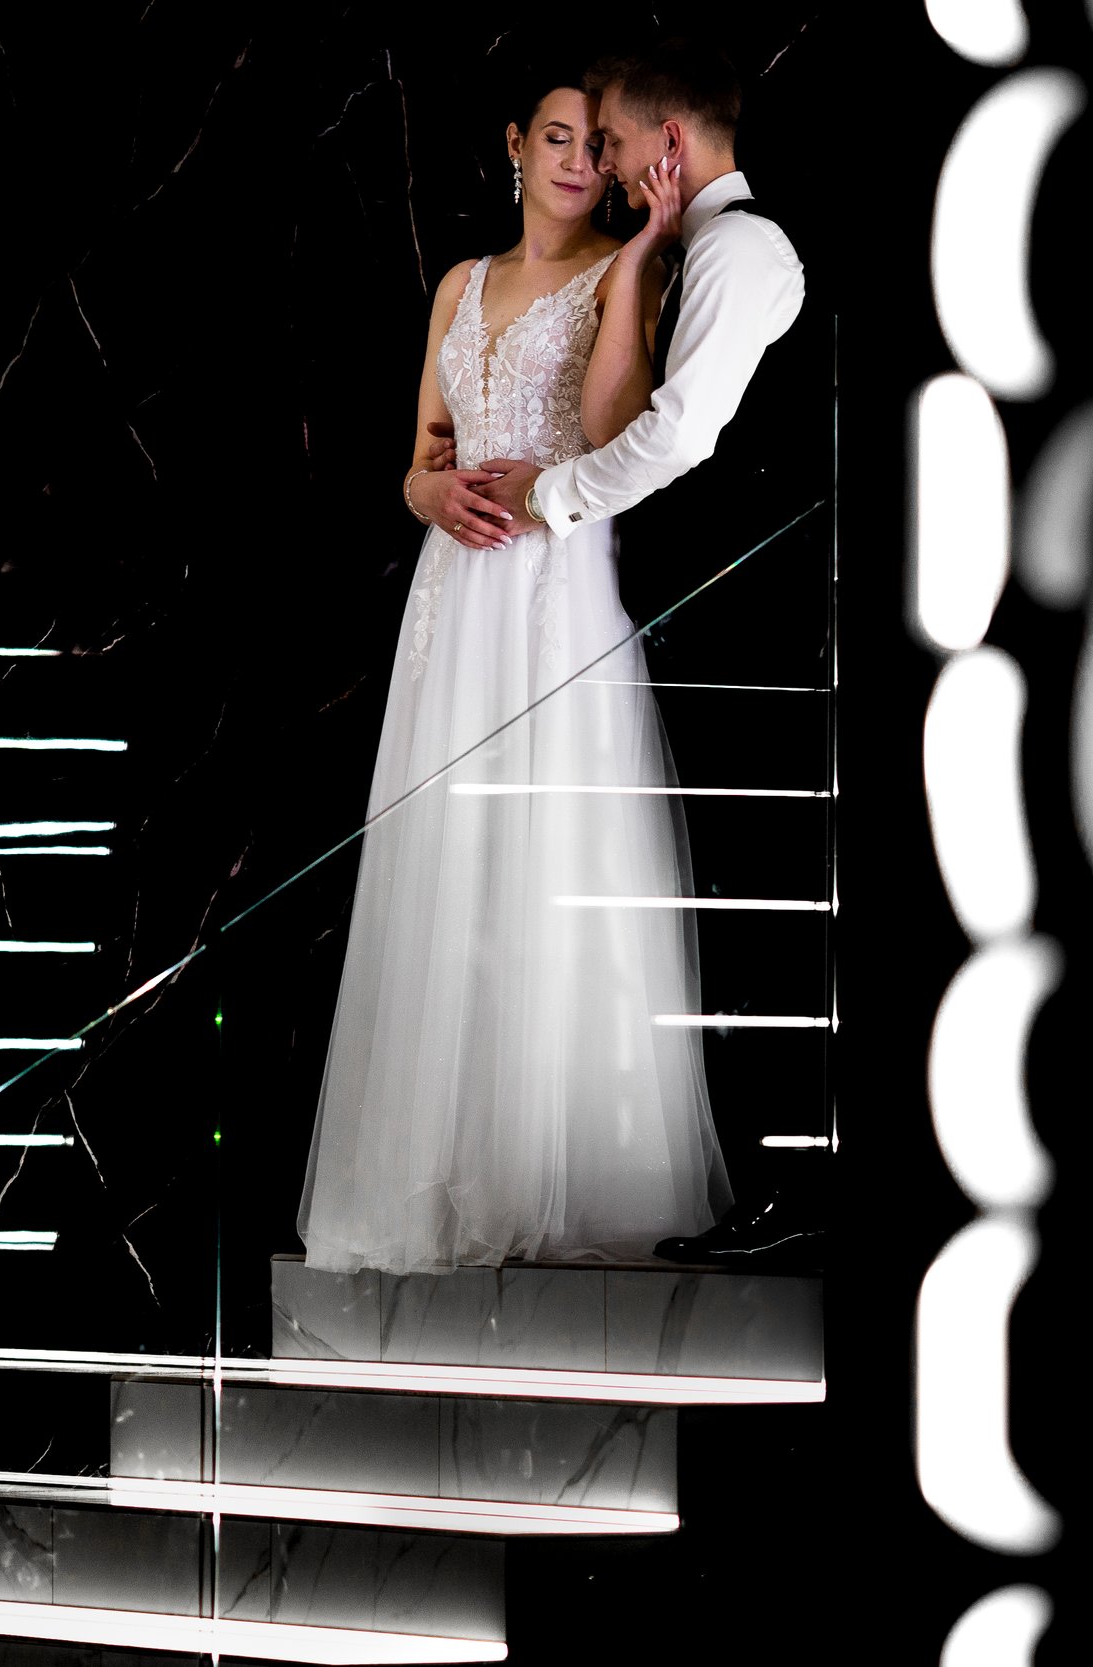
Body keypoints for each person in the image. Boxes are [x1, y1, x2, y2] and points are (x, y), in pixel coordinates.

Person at [294, 59, 734, 1276]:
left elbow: (606, 436)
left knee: (551, 862)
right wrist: (429, 489)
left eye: (597, 144)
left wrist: (642, 255)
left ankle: (546, 1178)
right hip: (454, 596)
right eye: (555, 138)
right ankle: (431, 1179)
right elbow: (417, 458)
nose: (575, 161)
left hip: (553, 587)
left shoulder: (618, 274)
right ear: (514, 145)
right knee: (443, 866)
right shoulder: (460, 284)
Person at [456, 40, 830, 1269]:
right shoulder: (690, 249)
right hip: (707, 617)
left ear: (668, 146)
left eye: (610, 146)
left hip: (758, 623)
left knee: (756, 897)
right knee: (721, 895)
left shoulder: (743, 250)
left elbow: (680, 436)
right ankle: (772, 1188)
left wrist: (554, 494)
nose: (602, 171)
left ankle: (795, 1191)